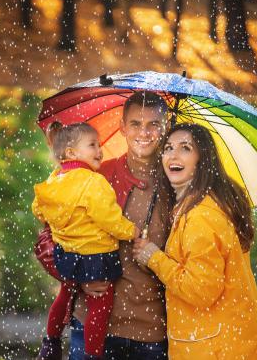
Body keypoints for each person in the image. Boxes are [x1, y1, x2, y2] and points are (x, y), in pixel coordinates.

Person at [133, 123, 257, 360]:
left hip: (215, 349)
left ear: (202, 160)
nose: (173, 155)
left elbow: (201, 290)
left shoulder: (200, 217)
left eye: (185, 148)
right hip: (232, 340)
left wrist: (154, 257)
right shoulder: (203, 205)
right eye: (168, 148)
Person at [68, 91, 172, 360]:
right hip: (93, 324)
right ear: (123, 127)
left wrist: (155, 256)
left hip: (153, 333)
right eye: (136, 124)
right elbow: (52, 237)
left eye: (153, 124)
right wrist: (79, 276)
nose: (144, 132)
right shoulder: (96, 176)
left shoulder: (178, 183)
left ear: (166, 127)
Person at [32, 121, 141, 360]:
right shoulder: (93, 181)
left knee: (64, 294)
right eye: (92, 145)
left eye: (99, 144)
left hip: (66, 254)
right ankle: (93, 354)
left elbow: (38, 209)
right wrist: (130, 231)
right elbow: (108, 218)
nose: (99, 150)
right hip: (95, 255)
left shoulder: (54, 179)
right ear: (72, 152)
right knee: (100, 305)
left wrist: (62, 225)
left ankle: (50, 343)